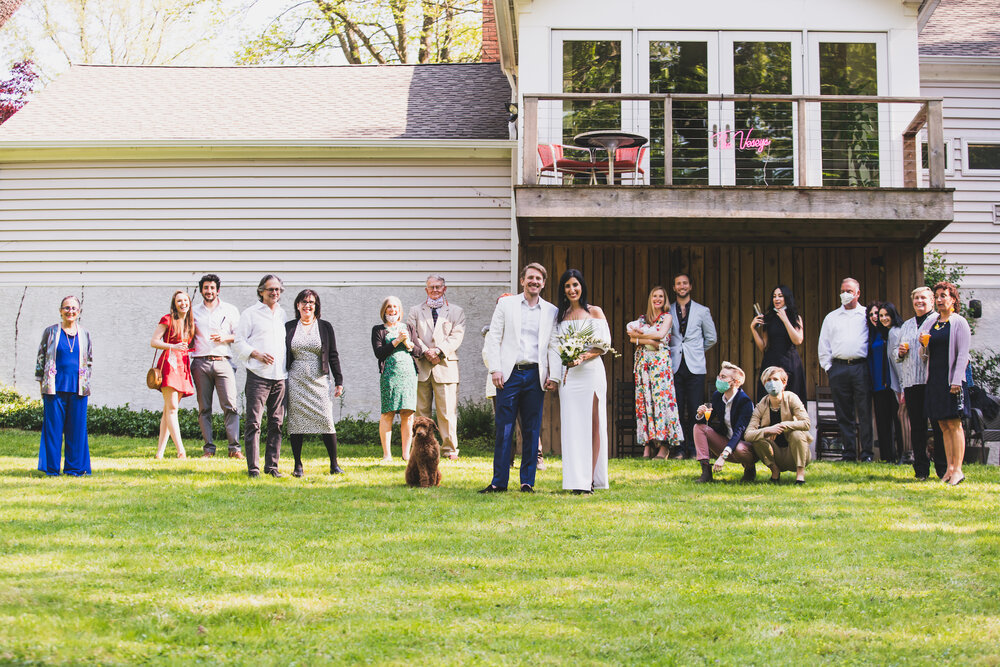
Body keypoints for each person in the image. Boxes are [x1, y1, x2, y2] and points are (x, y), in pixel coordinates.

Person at [481, 262, 559, 493]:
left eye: (539, 279)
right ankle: (499, 482)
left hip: (536, 375)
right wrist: (495, 368)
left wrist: (554, 375)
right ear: (522, 280)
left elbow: (554, 344)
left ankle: (527, 482)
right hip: (509, 374)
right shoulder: (506, 304)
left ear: (543, 283)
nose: (534, 282)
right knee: (504, 428)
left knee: (531, 429)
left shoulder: (551, 310)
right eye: (531, 278)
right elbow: (494, 337)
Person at [550, 269, 611, 494]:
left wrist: (583, 356)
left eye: (575, 285)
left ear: (582, 286)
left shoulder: (594, 312)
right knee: (572, 426)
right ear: (563, 290)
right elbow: (555, 349)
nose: (572, 289)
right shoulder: (560, 316)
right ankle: (576, 480)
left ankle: (591, 480)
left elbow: (604, 344)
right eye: (567, 286)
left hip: (591, 373)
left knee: (593, 424)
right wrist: (555, 377)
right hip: (569, 378)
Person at [285, 289, 344, 477]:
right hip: (296, 378)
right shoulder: (289, 327)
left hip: (319, 379)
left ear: (316, 306)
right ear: (297, 305)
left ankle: (334, 464)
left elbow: (333, 354)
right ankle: (297, 465)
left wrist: (339, 380)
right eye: (304, 302)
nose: (307, 305)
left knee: (327, 420)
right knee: (296, 423)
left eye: (311, 302)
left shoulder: (325, 327)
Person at [918, 281, 972, 486]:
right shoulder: (933, 323)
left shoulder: (959, 322)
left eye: (944, 296)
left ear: (953, 300)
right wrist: (923, 346)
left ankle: (958, 469)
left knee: (954, 424)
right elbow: (925, 354)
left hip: (953, 380)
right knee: (942, 425)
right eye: (937, 296)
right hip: (935, 380)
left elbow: (963, 354)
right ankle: (949, 469)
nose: (940, 300)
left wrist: (957, 380)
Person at [235, 274, 289, 478]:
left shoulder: (283, 314)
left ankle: (272, 467)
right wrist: (256, 353)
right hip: (258, 375)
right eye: (270, 290)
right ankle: (253, 469)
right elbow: (238, 342)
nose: (275, 293)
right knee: (254, 423)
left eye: (277, 290)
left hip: (279, 376)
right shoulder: (250, 313)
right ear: (261, 291)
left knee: (277, 423)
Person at [407, 274, 466, 460]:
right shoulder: (415, 311)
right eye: (431, 287)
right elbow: (411, 334)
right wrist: (426, 352)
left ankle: (449, 450)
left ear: (444, 289)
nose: (434, 290)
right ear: (426, 289)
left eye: (438, 287)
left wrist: (439, 351)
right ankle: (419, 449)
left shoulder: (456, 311)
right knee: (420, 413)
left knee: (447, 412)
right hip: (422, 367)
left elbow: (457, 336)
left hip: (446, 367)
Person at [891, 286, 947, 480]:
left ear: (932, 300)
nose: (919, 301)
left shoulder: (937, 321)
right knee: (917, 427)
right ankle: (921, 469)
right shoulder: (906, 325)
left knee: (939, 426)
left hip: (932, 381)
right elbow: (894, 353)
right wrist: (899, 353)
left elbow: (943, 348)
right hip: (912, 382)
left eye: (923, 298)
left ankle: (942, 467)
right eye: (916, 299)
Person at [35, 295, 93, 476]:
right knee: (53, 431)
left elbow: (89, 361)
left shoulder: (84, 334)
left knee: (76, 431)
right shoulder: (51, 332)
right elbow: (41, 358)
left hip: (78, 390)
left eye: (74, 308)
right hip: (54, 389)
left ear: (79, 312)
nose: (70, 311)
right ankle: (52, 469)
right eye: (67, 308)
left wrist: (86, 382)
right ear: (60, 311)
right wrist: (41, 383)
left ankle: (74, 468)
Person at [817, 277, 873, 462]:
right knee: (843, 413)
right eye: (842, 291)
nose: (845, 294)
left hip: (860, 367)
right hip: (839, 368)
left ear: (858, 293)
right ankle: (849, 453)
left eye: (849, 291)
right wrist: (828, 368)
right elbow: (823, 344)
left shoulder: (865, 315)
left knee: (864, 412)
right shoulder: (832, 317)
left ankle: (866, 453)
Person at [190, 274, 244, 460]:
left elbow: (239, 336)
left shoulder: (230, 310)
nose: (209, 291)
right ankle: (208, 449)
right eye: (206, 288)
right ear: (202, 290)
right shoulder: (193, 311)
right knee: (204, 407)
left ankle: (234, 448)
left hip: (223, 361)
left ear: (218, 290)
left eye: (212, 288)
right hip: (200, 362)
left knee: (230, 405)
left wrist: (224, 338)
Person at [628, 285, 683, 459]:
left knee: (661, 402)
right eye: (654, 296)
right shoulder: (642, 319)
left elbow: (660, 335)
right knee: (645, 403)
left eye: (661, 296)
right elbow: (630, 337)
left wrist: (640, 338)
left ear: (664, 300)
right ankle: (648, 444)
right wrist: (648, 339)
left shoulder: (667, 317)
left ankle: (664, 445)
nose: (657, 299)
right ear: (650, 299)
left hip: (660, 367)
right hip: (643, 365)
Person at [669, 273, 718, 459]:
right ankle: (680, 449)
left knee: (696, 409)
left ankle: (696, 449)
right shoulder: (668, 310)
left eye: (685, 283)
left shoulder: (702, 311)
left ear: (690, 286)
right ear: (674, 288)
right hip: (674, 366)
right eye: (678, 284)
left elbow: (711, 337)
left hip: (695, 367)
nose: (681, 286)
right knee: (678, 409)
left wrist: (696, 350)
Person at [372, 296, 420, 462]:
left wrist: (408, 343)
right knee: (388, 413)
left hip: (408, 375)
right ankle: (387, 454)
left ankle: (406, 454)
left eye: (395, 307)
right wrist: (396, 341)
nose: (392, 310)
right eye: (389, 307)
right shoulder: (378, 330)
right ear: (384, 310)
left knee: (408, 414)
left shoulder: (408, 327)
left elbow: (418, 351)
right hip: (390, 376)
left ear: (400, 310)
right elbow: (379, 353)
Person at [744, 366, 812, 484]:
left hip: (795, 453)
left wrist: (782, 426)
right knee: (757, 438)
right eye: (768, 380)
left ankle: (800, 475)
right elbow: (748, 434)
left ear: (784, 382)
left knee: (797, 434)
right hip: (775, 454)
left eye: (775, 379)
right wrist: (768, 430)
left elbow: (806, 423)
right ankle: (775, 472)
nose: (772, 383)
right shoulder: (762, 405)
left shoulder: (791, 398)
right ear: (764, 384)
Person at [692, 362, 757, 483]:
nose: (719, 379)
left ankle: (749, 469)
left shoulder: (745, 402)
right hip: (725, 440)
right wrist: (701, 415)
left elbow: (739, 431)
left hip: (743, 446)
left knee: (739, 448)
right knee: (698, 427)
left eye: (723, 377)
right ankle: (706, 470)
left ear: (736, 382)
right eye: (719, 376)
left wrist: (723, 456)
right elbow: (707, 422)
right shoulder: (718, 396)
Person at [150, 290, 196, 460]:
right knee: (173, 409)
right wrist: (173, 346)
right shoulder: (168, 319)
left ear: (189, 302)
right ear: (174, 304)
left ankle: (160, 453)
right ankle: (181, 450)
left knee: (168, 410)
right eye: (179, 301)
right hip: (169, 363)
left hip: (182, 364)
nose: (183, 303)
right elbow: (154, 341)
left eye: (185, 300)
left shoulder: (190, 323)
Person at [750, 285, 806, 405]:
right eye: (774, 296)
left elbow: (798, 340)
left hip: (790, 362)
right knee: (769, 398)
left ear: (786, 298)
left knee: (790, 398)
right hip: (771, 361)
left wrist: (785, 319)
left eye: (780, 296)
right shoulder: (769, 318)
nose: (777, 299)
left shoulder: (795, 317)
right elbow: (763, 346)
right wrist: (753, 329)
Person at [870, 302, 904, 462]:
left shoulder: (895, 332)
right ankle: (887, 457)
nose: (879, 318)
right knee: (882, 422)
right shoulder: (874, 334)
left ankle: (903, 454)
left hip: (893, 383)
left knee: (899, 420)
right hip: (878, 384)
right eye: (876, 315)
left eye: (883, 314)